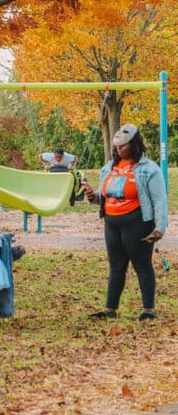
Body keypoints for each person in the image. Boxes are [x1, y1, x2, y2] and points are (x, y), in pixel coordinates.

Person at [82, 123, 168, 321]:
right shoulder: (109, 167)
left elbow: (159, 200)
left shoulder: (149, 169)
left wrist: (160, 227)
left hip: (137, 223)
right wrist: (92, 195)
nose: (119, 149)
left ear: (134, 144)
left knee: (142, 265)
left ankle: (148, 310)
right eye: (117, 146)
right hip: (112, 224)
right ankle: (110, 309)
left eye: (124, 145)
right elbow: (102, 197)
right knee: (117, 267)